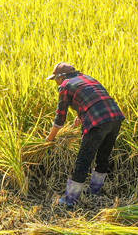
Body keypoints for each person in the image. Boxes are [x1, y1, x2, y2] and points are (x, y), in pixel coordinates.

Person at [45, 62, 125, 206]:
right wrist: (82, 116)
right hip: (115, 117)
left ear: (61, 76)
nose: (55, 82)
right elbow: (95, 99)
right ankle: (95, 191)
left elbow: (60, 118)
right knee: (103, 156)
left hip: (98, 122)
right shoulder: (88, 78)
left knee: (83, 159)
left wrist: (50, 139)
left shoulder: (65, 85)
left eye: (55, 78)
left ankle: (70, 199)